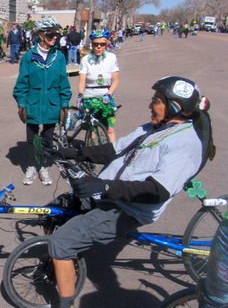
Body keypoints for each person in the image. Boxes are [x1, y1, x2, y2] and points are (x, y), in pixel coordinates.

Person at [49, 76, 204, 308]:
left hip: (127, 208)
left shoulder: (186, 144)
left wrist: (105, 186)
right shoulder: (154, 128)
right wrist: (75, 153)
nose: (150, 105)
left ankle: (66, 303)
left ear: (175, 107)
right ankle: (66, 263)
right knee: (54, 210)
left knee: (61, 242)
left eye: (156, 101)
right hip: (108, 193)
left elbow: (157, 191)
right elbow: (114, 150)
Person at [13, 17, 72, 186]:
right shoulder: (29, 57)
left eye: (57, 34)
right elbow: (22, 83)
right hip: (33, 103)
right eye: (50, 34)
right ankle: (32, 165)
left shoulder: (59, 57)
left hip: (52, 104)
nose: (55, 37)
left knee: (47, 138)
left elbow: (63, 82)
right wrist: (22, 104)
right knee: (32, 138)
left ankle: (44, 165)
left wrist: (64, 104)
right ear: (40, 35)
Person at [77, 29, 119, 142]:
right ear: (92, 44)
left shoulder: (112, 58)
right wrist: (80, 95)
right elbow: (82, 81)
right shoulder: (85, 60)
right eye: (96, 44)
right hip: (90, 97)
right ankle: (92, 153)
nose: (99, 47)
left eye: (102, 44)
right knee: (92, 130)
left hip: (107, 97)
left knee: (110, 129)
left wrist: (109, 94)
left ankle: (112, 154)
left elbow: (115, 81)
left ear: (106, 44)